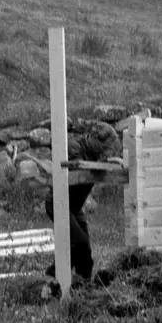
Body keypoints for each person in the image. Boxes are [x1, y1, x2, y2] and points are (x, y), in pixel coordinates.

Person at [45, 120, 120, 283]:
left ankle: (83, 287)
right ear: (95, 140)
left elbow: (102, 165)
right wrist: (102, 165)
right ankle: (52, 276)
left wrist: (111, 162)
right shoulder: (74, 147)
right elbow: (80, 173)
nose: (107, 151)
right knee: (79, 242)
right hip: (59, 203)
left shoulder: (94, 152)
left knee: (85, 253)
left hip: (75, 207)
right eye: (105, 147)